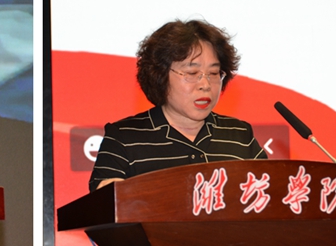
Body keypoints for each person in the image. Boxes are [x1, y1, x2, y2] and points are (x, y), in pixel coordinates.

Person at [89, 19, 267, 192]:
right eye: (192, 73)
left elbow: (268, 193)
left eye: (213, 73)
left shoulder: (240, 135)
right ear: (160, 76)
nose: (205, 84)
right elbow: (105, 203)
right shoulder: (123, 138)